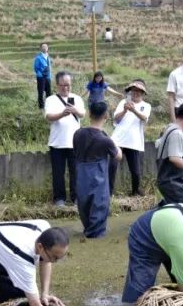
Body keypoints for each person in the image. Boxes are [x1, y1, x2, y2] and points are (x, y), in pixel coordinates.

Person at [74, 101, 122, 238]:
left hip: (81, 174)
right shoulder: (105, 139)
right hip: (97, 176)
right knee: (99, 206)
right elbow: (118, 156)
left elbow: (76, 152)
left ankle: (88, 231)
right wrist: (112, 141)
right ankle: (96, 235)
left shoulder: (77, 134)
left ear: (89, 114)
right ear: (106, 115)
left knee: (84, 205)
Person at [44, 71, 86, 207]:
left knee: (76, 173)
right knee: (58, 173)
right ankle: (59, 199)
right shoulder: (50, 99)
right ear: (57, 85)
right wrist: (62, 114)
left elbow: (83, 114)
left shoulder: (77, 99)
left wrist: (75, 111)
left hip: (75, 143)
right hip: (57, 143)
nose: (65, 88)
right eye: (62, 85)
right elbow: (49, 117)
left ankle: (76, 198)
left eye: (68, 85)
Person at [109, 79, 151, 196]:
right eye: (134, 90)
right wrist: (125, 110)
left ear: (143, 93)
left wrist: (133, 110)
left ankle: (135, 192)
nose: (136, 93)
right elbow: (116, 118)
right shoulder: (123, 103)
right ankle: (109, 193)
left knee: (136, 172)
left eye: (139, 91)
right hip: (118, 140)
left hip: (134, 142)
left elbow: (144, 118)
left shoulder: (146, 106)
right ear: (130, 92)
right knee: (112, 166)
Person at [33, 43, 52, 110]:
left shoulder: (48, 57)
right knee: (41, 92)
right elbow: (36, 68)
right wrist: (40, 74)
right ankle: (41, 107)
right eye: (43, 47)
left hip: (48, 77)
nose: (44, 48)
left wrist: (49, 75)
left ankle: (48, 106)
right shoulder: (38, 58)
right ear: (41, 48)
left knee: (49, 92)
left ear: (47, 48)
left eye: (46, 47)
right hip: (41, 77)